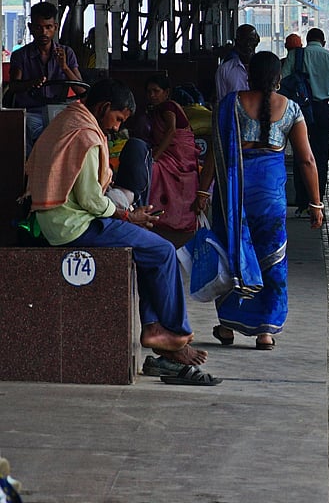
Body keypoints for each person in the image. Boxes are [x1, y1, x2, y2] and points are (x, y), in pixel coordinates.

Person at [24, 78, 210, 370]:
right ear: (104, 107)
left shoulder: (67, 120)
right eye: (118, 118)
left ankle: (154, 328)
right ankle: (173, 332)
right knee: (162, 251)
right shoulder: (85, 135)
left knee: (148, 250)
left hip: (56, 219)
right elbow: (90, 201)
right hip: (74, 225)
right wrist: (127, 216)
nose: (115, 127)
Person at [197, 51, 323, 350]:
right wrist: (316, 203)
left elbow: (215, 152)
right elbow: (306, 160)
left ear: (249, 75)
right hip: (271, 199)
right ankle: (265, 331)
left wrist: (203, 191)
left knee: (232, 255)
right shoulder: (291, 109)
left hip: (234, 196)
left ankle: (228, 326)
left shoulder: (229, 105)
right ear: (278, 78)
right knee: (272, 259)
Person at [282, 28, 329, 216]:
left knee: (302, 154)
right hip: (323, 110)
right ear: (323, 42)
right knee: (321, 156)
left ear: (307, 41)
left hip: (300, 110)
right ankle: (318, 201)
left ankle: (302, 202)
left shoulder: (297, 55)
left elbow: (283, 80)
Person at [7, 1, 84, 151]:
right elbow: (14, 86)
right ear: (31, 28)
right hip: (31, 112)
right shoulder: (20, 56)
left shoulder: (67, 54)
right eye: (38, 27)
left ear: (55, 27)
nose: (44, 33)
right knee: (27, 127)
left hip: (59, 111)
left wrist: (65, 67)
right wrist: (31, 83)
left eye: (48, 27)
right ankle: (30, 169)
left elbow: (81, 90)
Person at [144, 74, 200, 235]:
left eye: (156, 91)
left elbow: (171, 131)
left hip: (180, 156)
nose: (152, 95)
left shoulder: (168, 106)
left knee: (154, 171)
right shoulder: (155, 111)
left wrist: (156, 157)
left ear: (166, 92)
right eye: (149, 92)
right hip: (169, 153)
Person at [213, 24, 259, 103]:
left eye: (251, 40)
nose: (247, 45)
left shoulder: (264, 68)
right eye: (243, 41)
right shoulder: (224, 70)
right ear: (237, 42)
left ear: (257, 42)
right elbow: (222, 102)